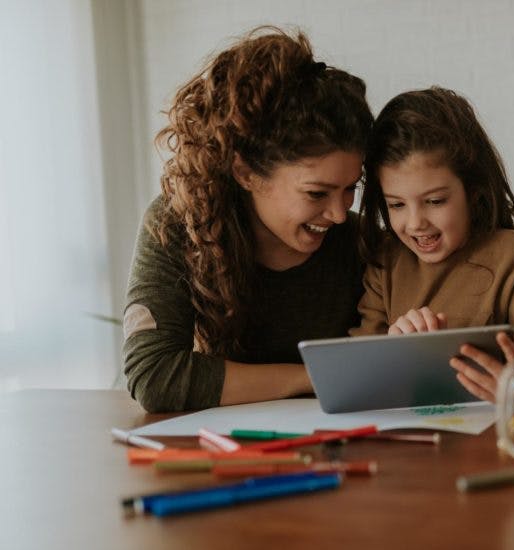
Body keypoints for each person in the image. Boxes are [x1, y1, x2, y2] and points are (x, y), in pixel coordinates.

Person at [122, 27, 373, 412]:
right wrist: (315, 375)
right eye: (316, 194)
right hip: (229, 454)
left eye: (350, 188)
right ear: (246, 173)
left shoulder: (361, 242)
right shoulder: (178, 225)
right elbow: (154, 375)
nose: (340, 214)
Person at [352, 86, 514, 402]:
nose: (414, 223)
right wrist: (393, 350)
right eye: (396, 205)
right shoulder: (386, 263)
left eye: (435, 200)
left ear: (473, 189)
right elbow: (356, 374)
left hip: (496, 434)